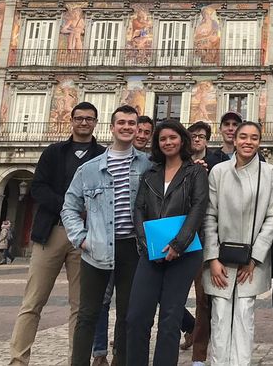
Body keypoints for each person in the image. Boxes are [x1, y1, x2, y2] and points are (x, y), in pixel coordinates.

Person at [9, 102, 106, 366]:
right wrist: (69, 208)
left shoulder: (103, 155)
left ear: (96, 123)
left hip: (85, 238)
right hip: (51, 232)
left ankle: (77, 360)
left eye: (89, 119)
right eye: (79, 118)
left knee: (81, 305)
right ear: (71, 121)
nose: (84, 122)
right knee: (33, 301)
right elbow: (38, 188)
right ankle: (18, 359)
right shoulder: (53, 152)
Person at [62, 104, 152, 366]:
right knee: (87, 314)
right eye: (121, 122)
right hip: (97, 247)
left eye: (132, 123)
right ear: (112, 127)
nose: (127, 127)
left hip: (132, 248)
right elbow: (69, 206)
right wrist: (81, 238)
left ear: (137, 128)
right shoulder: (89, 169)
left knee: (127, 315)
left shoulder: (147, 165)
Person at [127, 119, 209, 365]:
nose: (168, 142)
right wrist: (146, 243)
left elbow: (198, 208)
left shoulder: (195, 172)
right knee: (136, 316)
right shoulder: (150, 174)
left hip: (185, 253)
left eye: (172, 137)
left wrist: (178, 244)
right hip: (151, 252)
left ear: (182, 140)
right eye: (162, 138)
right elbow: (139, 209)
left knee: (170, 318)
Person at [203, 121, 273, 365]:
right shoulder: (218, 172)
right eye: (243, 136)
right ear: (234, 140)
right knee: (220, 315)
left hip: (251, 260)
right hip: (220, 259)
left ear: (259, 142)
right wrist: (212, 258)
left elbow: (272, 217)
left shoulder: (269, 173)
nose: (248, 141)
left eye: (254, 137)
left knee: (245, 315)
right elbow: (209, 215)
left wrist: (255, 257)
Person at [92, 115, 155, 365]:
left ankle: (121, 354)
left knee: (128, 305)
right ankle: (99, 353)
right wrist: (83, 237)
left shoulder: (149, 165)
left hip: (134, 243)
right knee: (100, 301)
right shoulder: (98, 163)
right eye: (137, 129)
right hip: (103, 241)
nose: (140, 134)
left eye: (146, 132)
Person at [183, 120, 215, 365]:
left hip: (204, 240)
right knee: (170, 297)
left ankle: (199, 357)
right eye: (193, 135)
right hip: (179, 239)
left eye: (201, 136)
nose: (197, 139)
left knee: (204, 300)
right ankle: (188, 327)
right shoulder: (178, 163)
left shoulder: (216, 165)